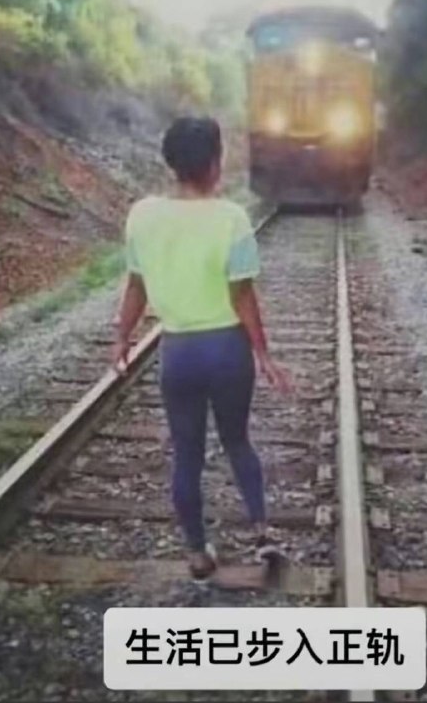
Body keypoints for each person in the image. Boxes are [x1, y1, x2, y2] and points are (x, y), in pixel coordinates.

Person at [112, 116, 290, 579]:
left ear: (171, 163)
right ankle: (262, 533)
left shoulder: (143, 215)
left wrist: (122, 337)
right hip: (227, 350)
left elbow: (136, 287)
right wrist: (263, 354)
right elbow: (242, 296)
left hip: (179, 354)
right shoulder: (231, 218)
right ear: (215, 162)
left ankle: (197, 551)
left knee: (187, 453)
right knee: (237, 441)